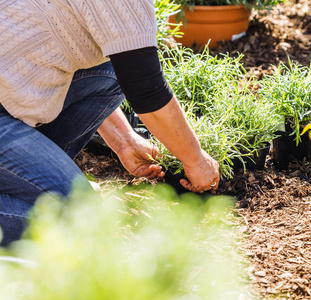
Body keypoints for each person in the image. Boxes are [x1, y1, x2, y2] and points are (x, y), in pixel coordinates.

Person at [0, 0, 220, 246]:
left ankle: (34, 184)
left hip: (9, 96)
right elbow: (148, 92)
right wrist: (196, 161)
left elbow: (130, 73)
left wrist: (123, 140)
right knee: (78, 217)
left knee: (114, 71)